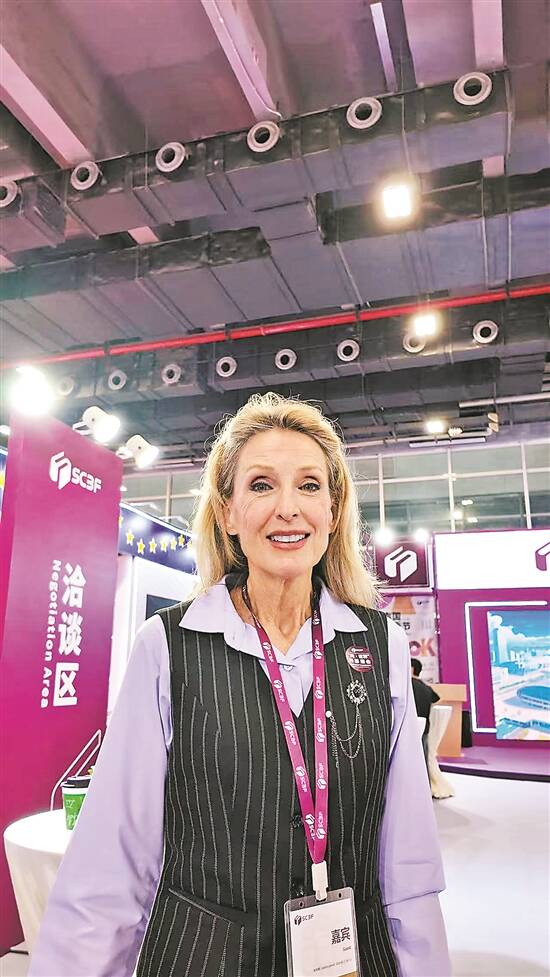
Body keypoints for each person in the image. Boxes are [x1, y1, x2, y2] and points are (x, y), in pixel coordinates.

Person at [30, 392, 451, 977]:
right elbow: (113, 859)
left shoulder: (380, 646)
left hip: (354, 956)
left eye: (309, 485)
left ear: (333, 512)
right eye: (261, 485)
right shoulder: (169, 646)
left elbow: (408, 859)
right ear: (227, 512)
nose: (288, 508)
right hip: (202, 958)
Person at [411, 657, 441, 769]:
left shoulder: (407, 687)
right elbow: (436, 699)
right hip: (424, 728)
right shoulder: (426, 688)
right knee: (423, 761)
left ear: (411, 669)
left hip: (409, 729)